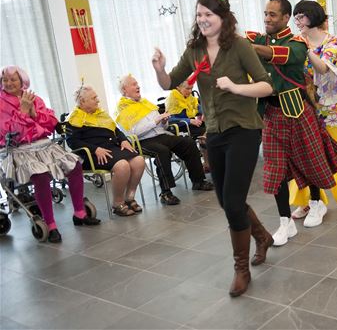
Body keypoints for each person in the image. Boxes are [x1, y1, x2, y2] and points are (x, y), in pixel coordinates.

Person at [152, 0, 274, 297]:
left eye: (209, 14)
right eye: (199, 15)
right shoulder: (194, 49)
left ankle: (241, 269)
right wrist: (159, 68)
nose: (203, 20)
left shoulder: (240, 46)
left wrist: (235, 86)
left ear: (223, 18)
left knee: (233, 201)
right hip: (215, 133)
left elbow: (266, 86)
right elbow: (169, 83)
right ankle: (262, 236)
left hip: (244, 130)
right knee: (225, 200)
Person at [247, 0, 337, 245]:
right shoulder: (258, 39)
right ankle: (285, 222)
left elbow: (277, 55)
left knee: (310, 159)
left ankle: (316, 203)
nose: (267, 18)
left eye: (273, 15)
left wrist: (248, 48)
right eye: (265, 14)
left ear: (285, 18)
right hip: (271, 113)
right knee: (275, 170)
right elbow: (243, 41)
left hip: (298, 110)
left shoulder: (296, 43)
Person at [0, 66, 100, 243]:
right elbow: (9, 133)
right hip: (18, 150)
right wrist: (23, 112)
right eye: (5, 80)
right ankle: (50, 224)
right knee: (40, 176)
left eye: (13, 79)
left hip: (43, 145)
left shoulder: (33, 98)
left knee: (75, 165)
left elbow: (51, 123)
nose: (8, 83)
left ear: (22, 81)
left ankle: (80, 213)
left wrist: (32, 112)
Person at [288, 0, 337, 223]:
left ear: (313, 17)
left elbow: (323, 67)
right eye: (295, 17)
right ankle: (309, 201)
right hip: (305, 105)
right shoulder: (297, 42)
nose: (298, 21)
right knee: (303, 154)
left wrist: (304, 49)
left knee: (335, 150)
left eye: (301, 16)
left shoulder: (331, 42)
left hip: (329, 106)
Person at [115, 74, 213, 206]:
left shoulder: (145, 103)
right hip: (142, 141)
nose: (138, 86)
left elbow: (162, 126)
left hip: (161, 135)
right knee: (162, 151)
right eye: (133, 84)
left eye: (137, 83)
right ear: (124, 90)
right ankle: (166, 193)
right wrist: (156, 121)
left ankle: (198, 181)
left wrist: (164, 121)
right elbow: (133, 132)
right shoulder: (122, 108)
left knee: (188, 142)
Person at [66, 85, 145, 216]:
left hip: (113, 148)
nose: (98, 100)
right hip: (93, 155)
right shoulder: (74, 118)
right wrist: (95, 149)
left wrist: (123, 139)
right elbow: (73, 142)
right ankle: (117, 203)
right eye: (94, 98)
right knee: (122, 166)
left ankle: (129, 197)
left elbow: (116, 130)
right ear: (82, 102)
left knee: (139, 161)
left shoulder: (101, 114)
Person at [165, 80, 209, 172]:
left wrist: (204, 113)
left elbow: (198, 107)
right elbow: (169, 119)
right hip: (181, 126)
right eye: (187, 88)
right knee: (204, 134)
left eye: (191, 88)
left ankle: (207, 163)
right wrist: (189, 121)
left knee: (210, 129)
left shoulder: (190, 97)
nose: (190, 91)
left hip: (192, 125)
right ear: (178, 87)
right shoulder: (172, 99)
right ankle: (206, 162)